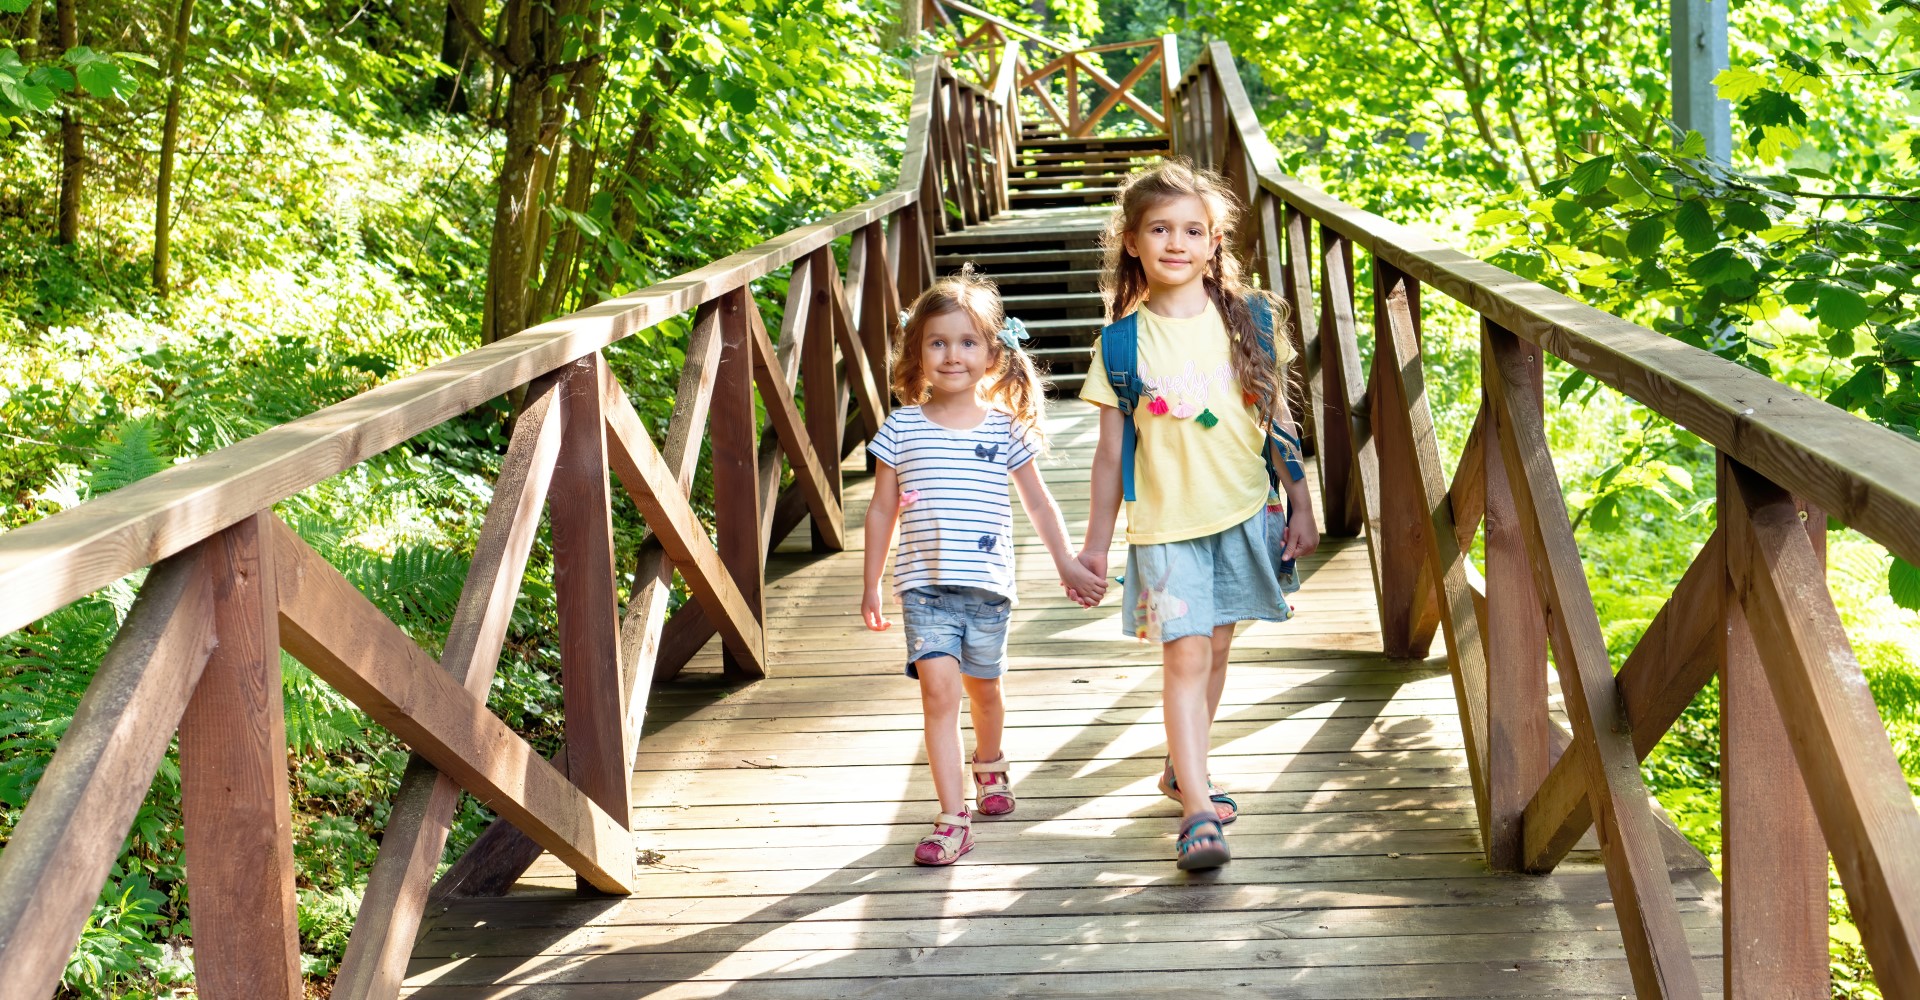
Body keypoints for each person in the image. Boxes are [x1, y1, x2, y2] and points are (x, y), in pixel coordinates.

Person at [1077, 160, 1320, 870]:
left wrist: (1300, 500)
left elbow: (1278, 415)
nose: (1176, 243)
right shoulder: (1121, 344)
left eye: (1192, 230)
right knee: (1184, 654)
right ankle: (1195, 814)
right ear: (1131, 241)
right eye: (1160, 229)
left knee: (1215, 650)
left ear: (1215, 242)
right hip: (1163, 526)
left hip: (1244, 512)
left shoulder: (1250, 320)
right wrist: (1095, 547)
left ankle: (1184, 767)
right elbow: (1105, 457)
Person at [861, 268, 1107, 866]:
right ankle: (951, 818)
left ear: (991, 353)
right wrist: (871, 581)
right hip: (924, 588)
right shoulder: (900, 428)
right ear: (916, 353)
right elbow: (880, 509)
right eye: (938, 343)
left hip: (989, 589)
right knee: (939, 695)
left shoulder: (1004, 428)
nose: (952, 355)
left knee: (985, 693)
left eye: (967, 342)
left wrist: (1069, 564)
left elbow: (1040, 503)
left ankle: (990, 764)